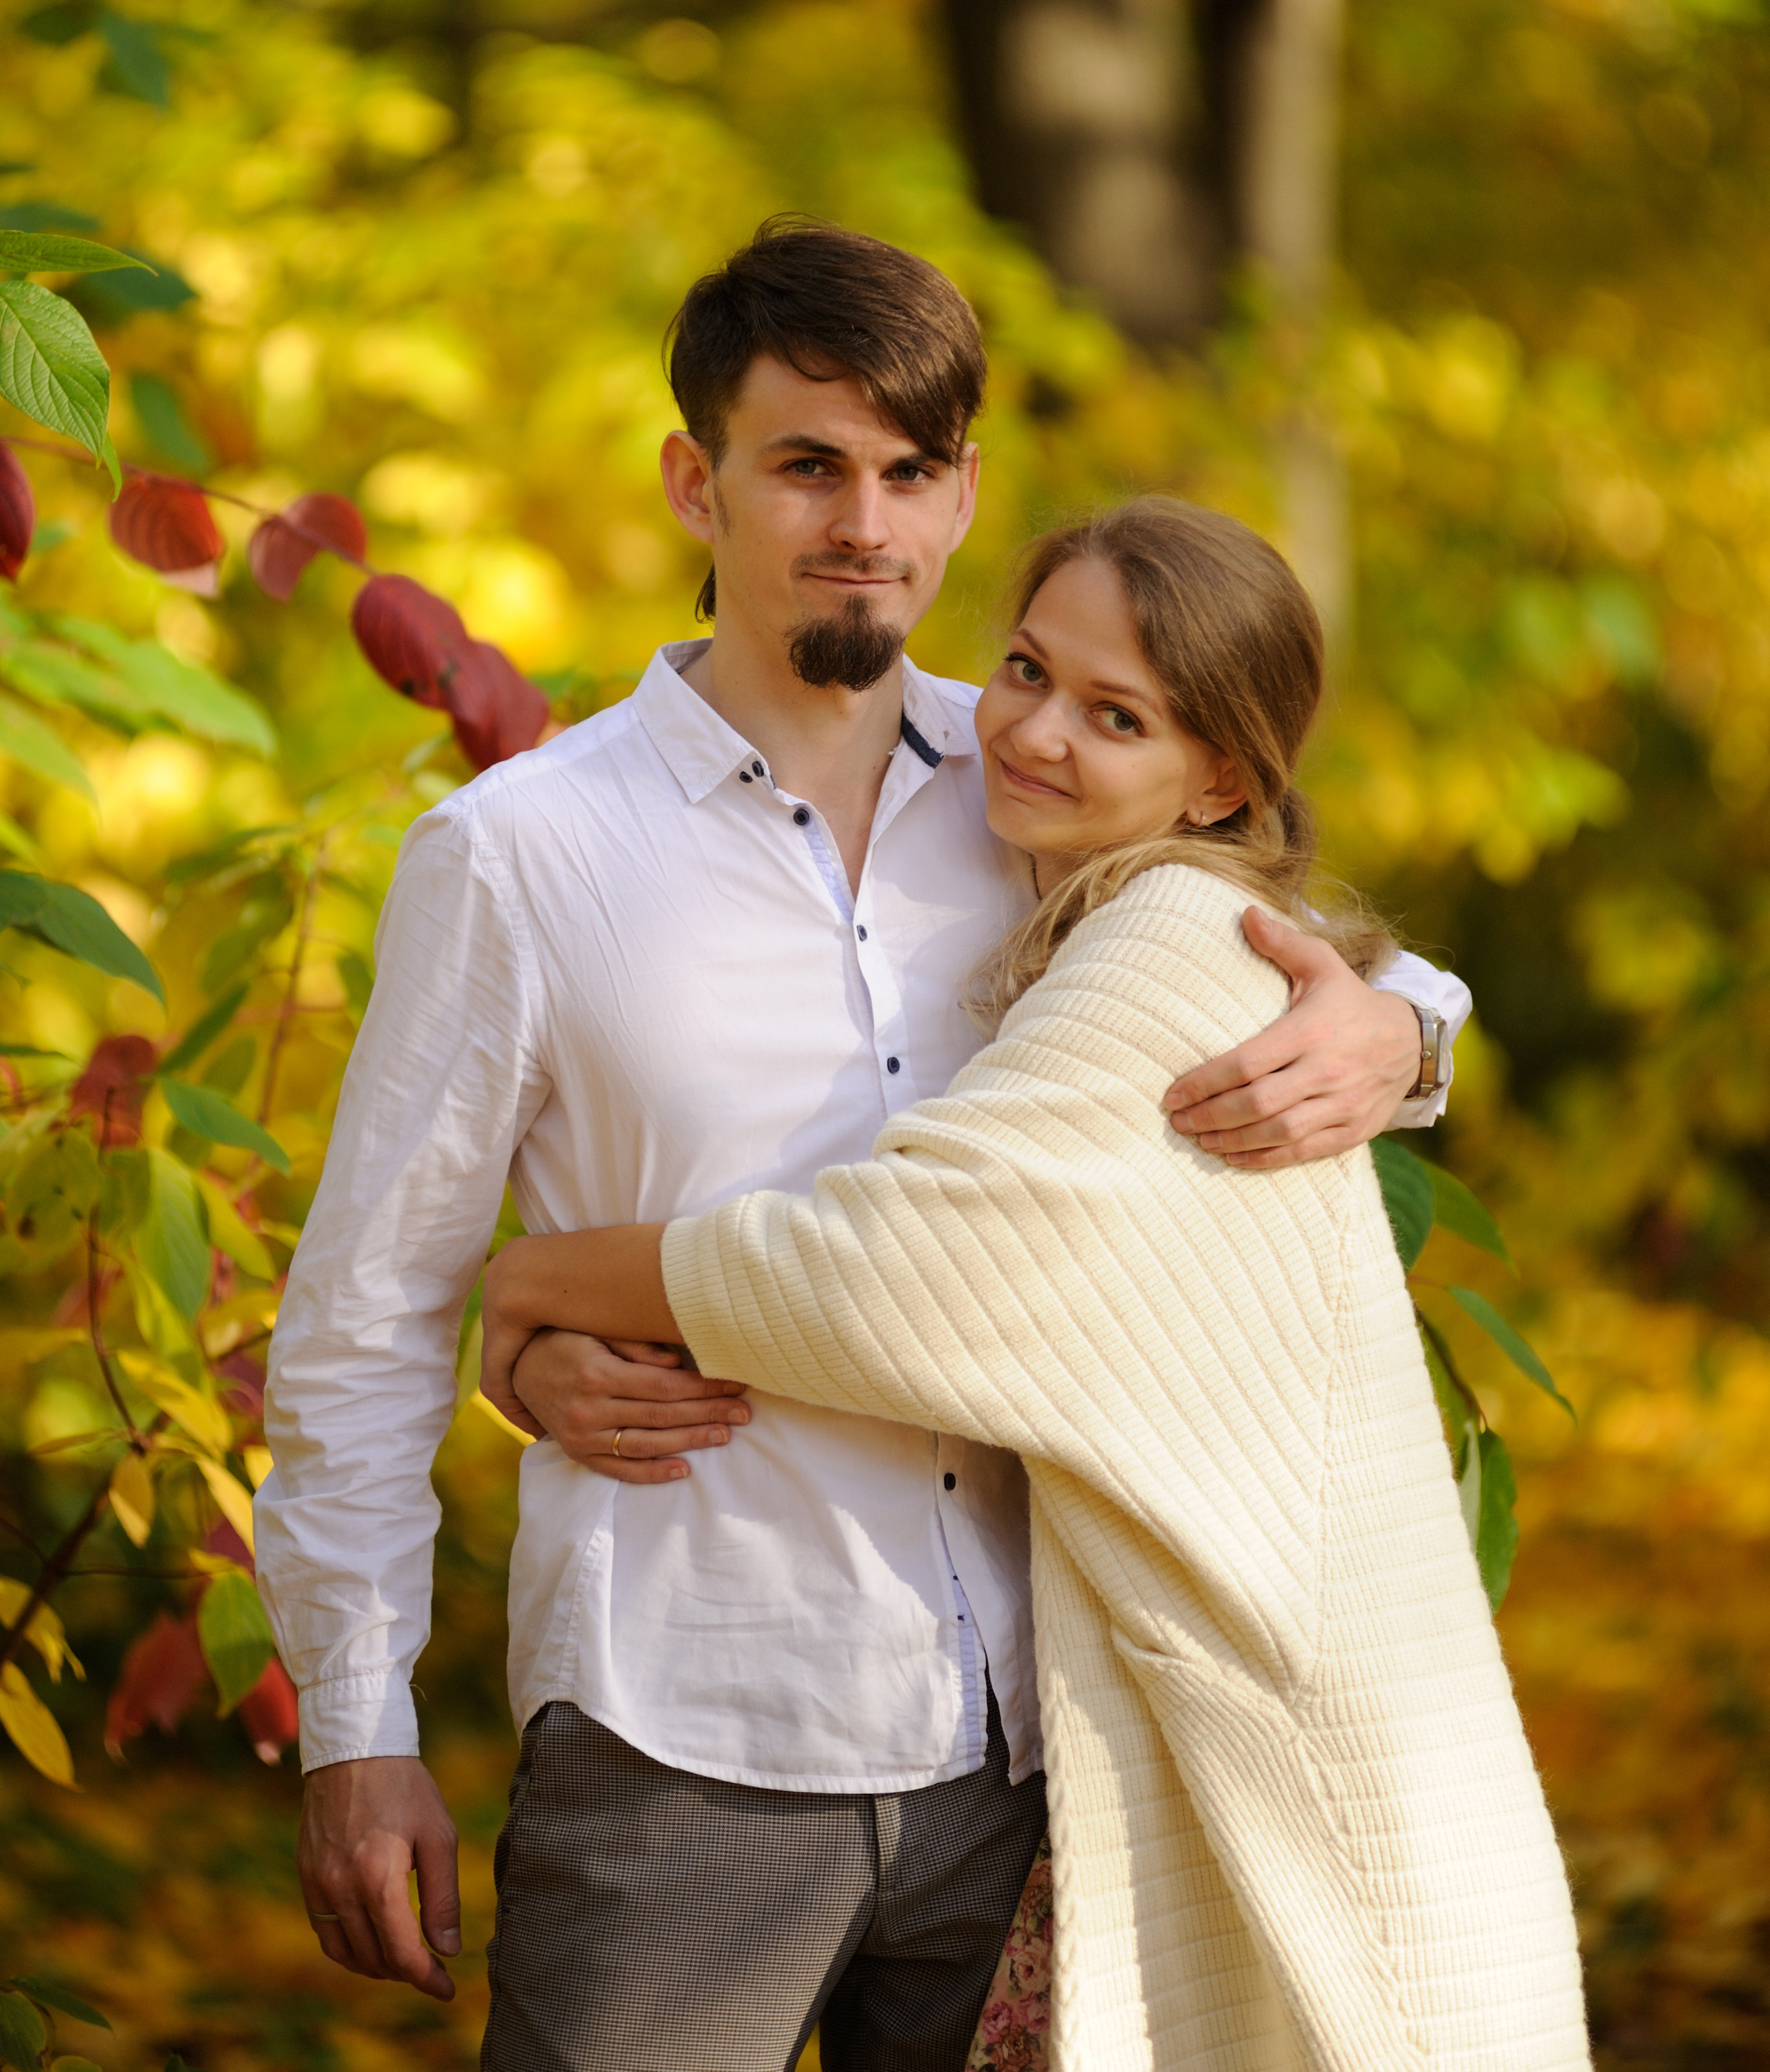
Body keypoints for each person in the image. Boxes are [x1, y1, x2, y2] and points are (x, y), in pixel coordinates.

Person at [255, 223, 1471, 2072]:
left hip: (1042, 1739)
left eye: (911, 472)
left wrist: (1399, 1036)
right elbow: (363, 1314)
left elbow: (1342, 960)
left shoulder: (1051, 772)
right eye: (808, 463)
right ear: (699, 481)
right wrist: (357, 1731)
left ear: (967, 491)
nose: (866, 523)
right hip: (689, 1733)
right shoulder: (520, 858)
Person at [478, 497, 1590, 2072]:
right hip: (840, 1708)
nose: (1033, 731)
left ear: (1220, 779)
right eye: (1021, 668)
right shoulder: (1017, 853)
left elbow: (887, 1275)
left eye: (1114, 714)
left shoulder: (1163, 936)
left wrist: (533, 1276)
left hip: (1266, 1750)